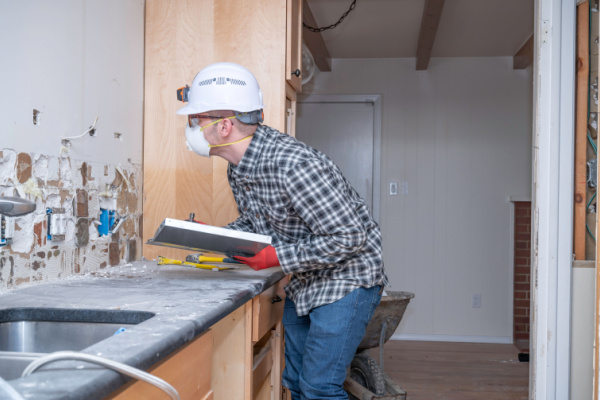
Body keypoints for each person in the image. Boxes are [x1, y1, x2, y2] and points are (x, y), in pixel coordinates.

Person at [176, 62, 388, 400]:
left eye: (196, 119)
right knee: (296, 382)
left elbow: (349, 237)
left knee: (319, 386)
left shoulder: (294, 165)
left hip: (346, 281)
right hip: (305, 278)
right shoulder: (239, 168)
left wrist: (276, 256)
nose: (191, 127)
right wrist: (213, 237)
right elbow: (256, 222)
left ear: (225, 126)